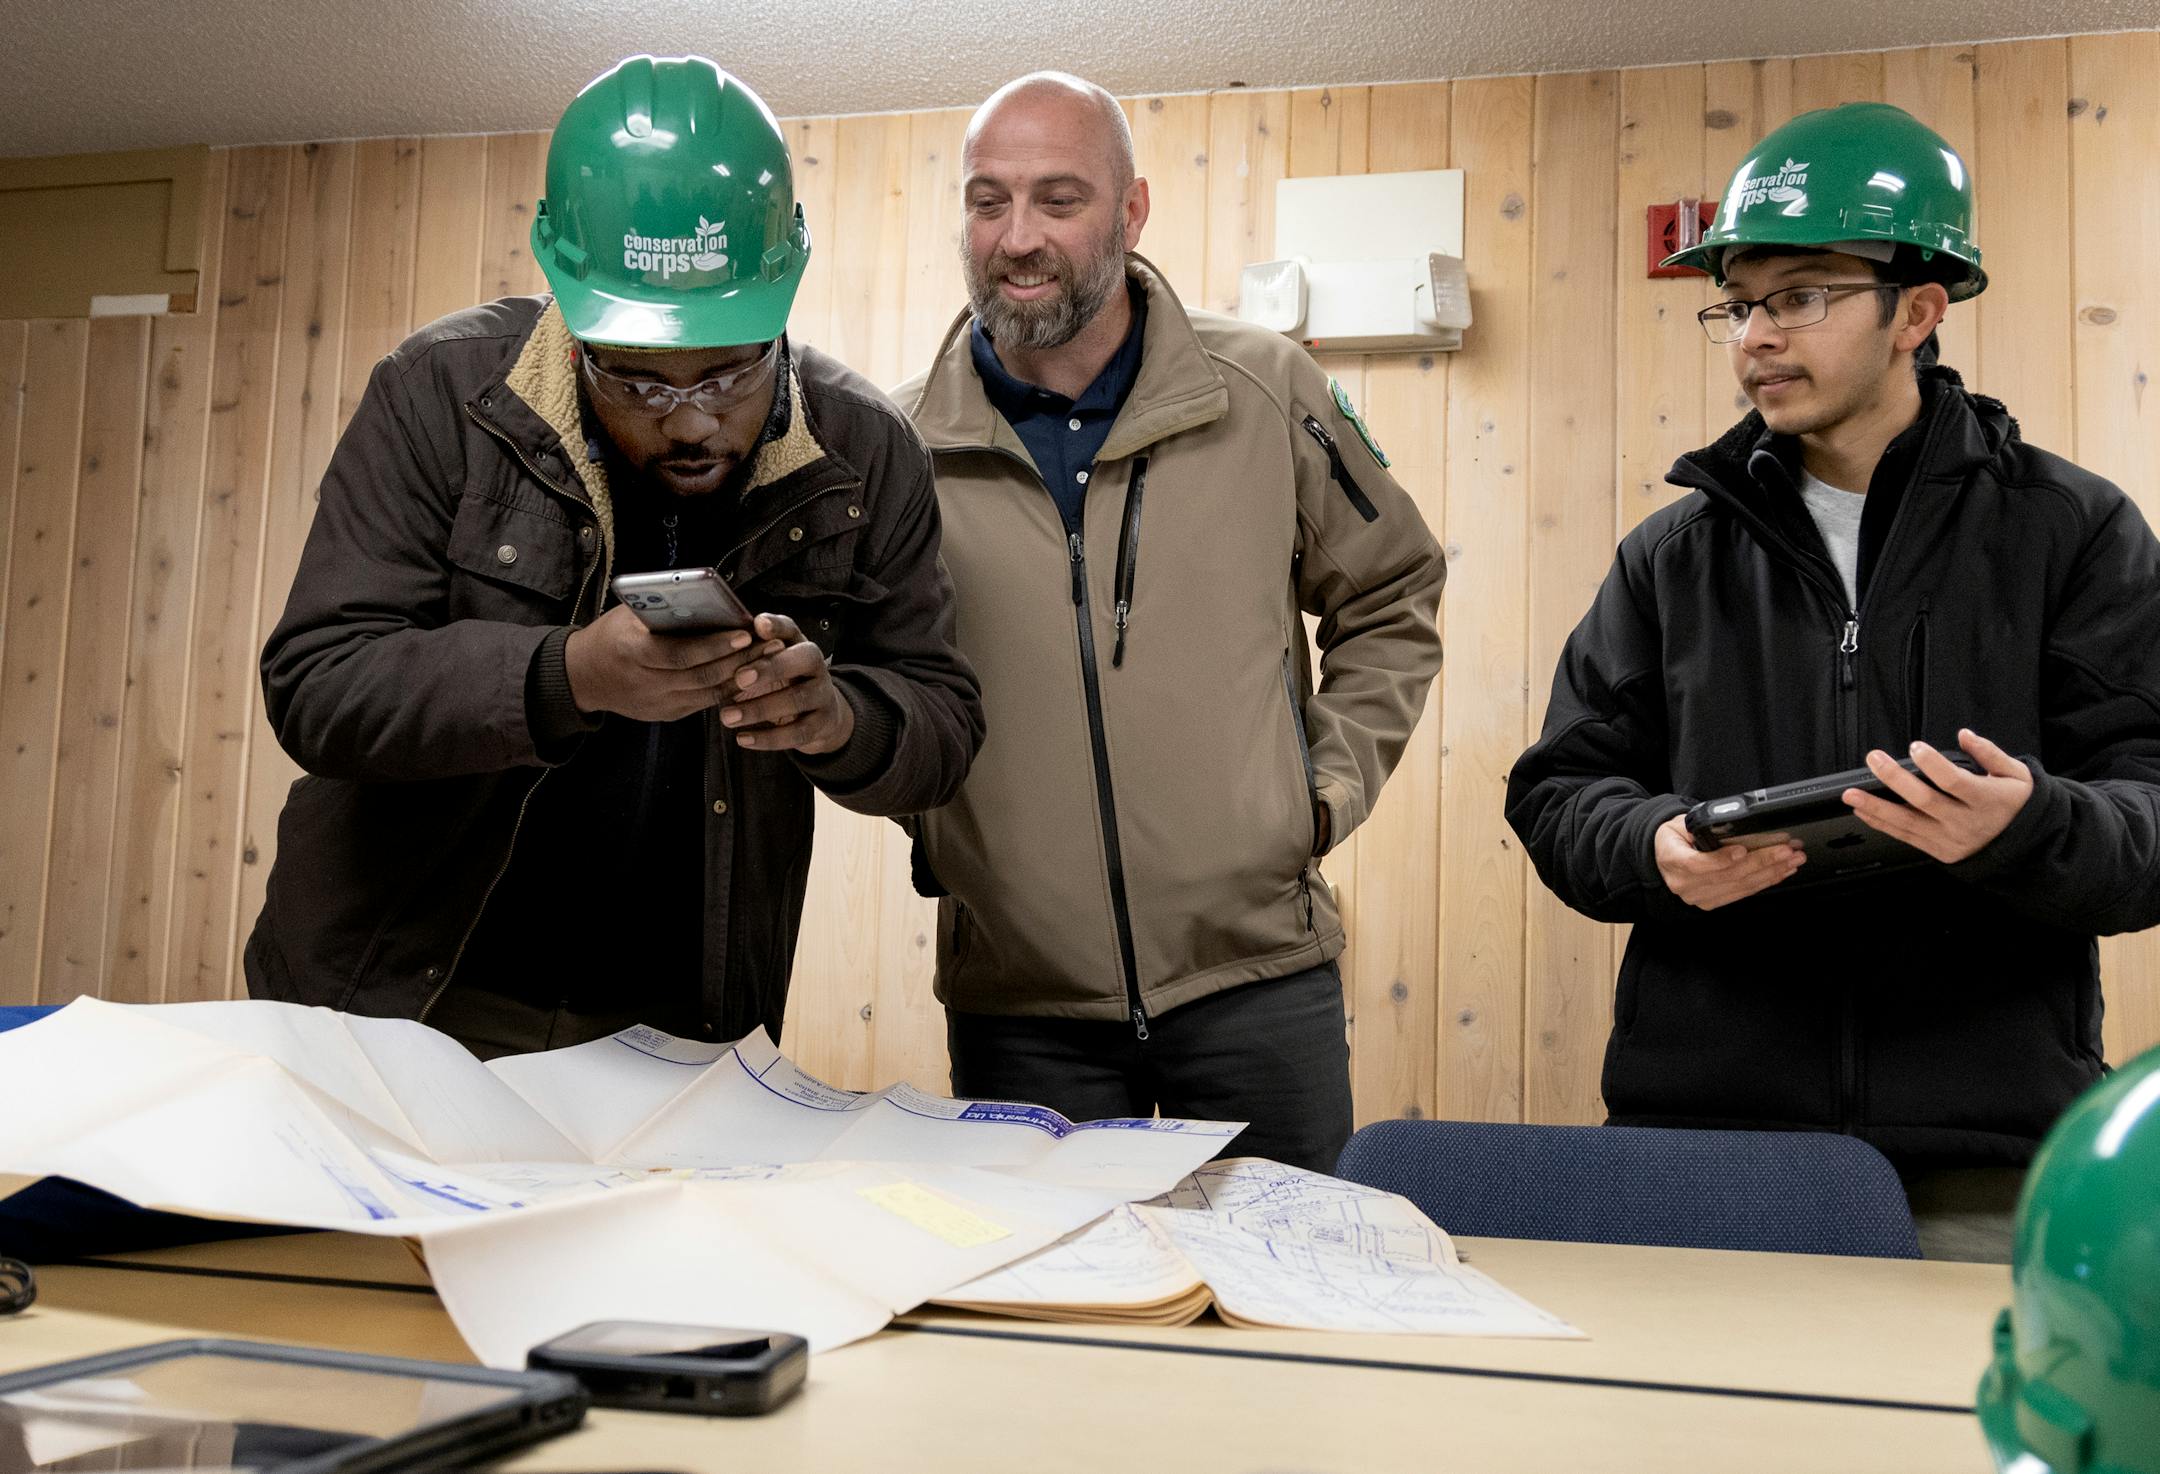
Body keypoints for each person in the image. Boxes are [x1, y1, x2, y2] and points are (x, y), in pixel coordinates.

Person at [1506, 102, 2160, 1259]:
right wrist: (1654, 847)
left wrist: (2031, 825)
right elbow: (1561, 791)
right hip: (1705, 1148)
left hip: (1986, 1163)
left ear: (1919, 310)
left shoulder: (2074, 530)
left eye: (1801, 294)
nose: (1757, 334)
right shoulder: (1672, 556)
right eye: (1740, 303)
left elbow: (2150, 808)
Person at [245, 55, 982, 1057]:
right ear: (572, 318)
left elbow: (941, 725)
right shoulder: (438, 395)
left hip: (681, 1021)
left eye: (729, 372)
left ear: (780, 309)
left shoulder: (869, 451)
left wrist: (836, 719)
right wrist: (567, 675)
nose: (692, 424)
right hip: (412, 1001)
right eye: (636, 381)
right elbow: (316, 683)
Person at [894, 72, 1445, 1172]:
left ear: (1132, 211)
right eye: (987, 200)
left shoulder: (1265, 389)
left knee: (1287, 1310)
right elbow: (878, 684)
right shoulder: (899, 443)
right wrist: (949, 835)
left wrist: (1318, 793)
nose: (1018, 237)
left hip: (1256, 983)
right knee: (1055, 1319)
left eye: (1059, 198)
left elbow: (1393, 593)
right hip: (1020, 1005)